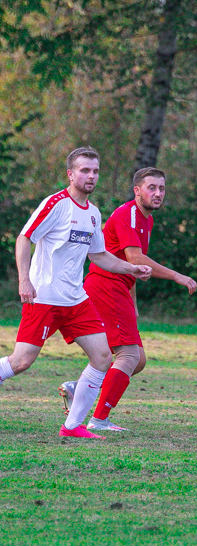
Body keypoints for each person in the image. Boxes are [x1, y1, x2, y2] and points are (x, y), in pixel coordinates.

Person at [0, 147, 152, 439]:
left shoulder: (93, 214)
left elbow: (100, 256)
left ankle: (72, 427)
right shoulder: (56, 204)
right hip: (44, 297)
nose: (91, 176)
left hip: (77, 300)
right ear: (70, 174)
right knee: (21, 361)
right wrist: (24, 280)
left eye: (95, 171)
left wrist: (131, 269)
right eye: (84, 170)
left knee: (102, 357)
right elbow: (24, 238)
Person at [59, 167, 197, 432]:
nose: (158, 193)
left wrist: (132, 303)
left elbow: (134, 268)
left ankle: (81, 389)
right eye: (151, 188)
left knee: (138, 359)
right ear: (137, 191)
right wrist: (177, 275)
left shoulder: (146, 219)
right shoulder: (129, 214)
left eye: (162, 188)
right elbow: (135, 260)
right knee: (128, 355)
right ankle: (98, 419)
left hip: (118, 289)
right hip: (105, 287)